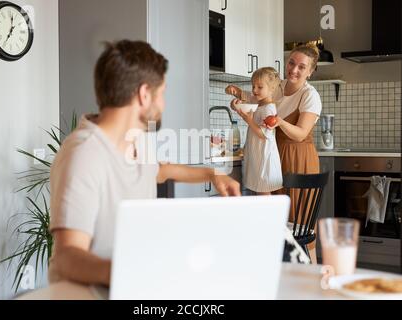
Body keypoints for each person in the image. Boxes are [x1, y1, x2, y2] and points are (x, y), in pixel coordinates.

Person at [48, 40, 240, 286]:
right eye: (162, 94)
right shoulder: (85, 153)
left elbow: (157, 171)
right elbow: (67, 257)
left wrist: (212, 174)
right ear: (144, 94)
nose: (163, 104)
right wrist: (133, 272)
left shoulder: (137, 138)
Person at [226, 43, 322, 262]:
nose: (294, 70)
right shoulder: (277, 86)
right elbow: (256, 97)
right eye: (291, 63)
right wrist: (237, 94)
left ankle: (313, 276)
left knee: (300, 223)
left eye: (301, 66)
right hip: (274, 157)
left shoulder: (310, 95)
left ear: (311, 71)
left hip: (299, 159)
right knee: (276, 223)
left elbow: (300, 133)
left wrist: (279, 122)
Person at [233, 67, 282, 195]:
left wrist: (248, 119)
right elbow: (255, 126)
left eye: (259, 87)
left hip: (264, 158)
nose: (254, 90)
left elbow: (263, 134)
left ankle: (272, 216)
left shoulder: (269, 109)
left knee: (264, 194)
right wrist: (241, 112)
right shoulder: (260, 105)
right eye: (253, 86)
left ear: (271, 89)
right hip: (258, 155)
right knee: (261, 194)